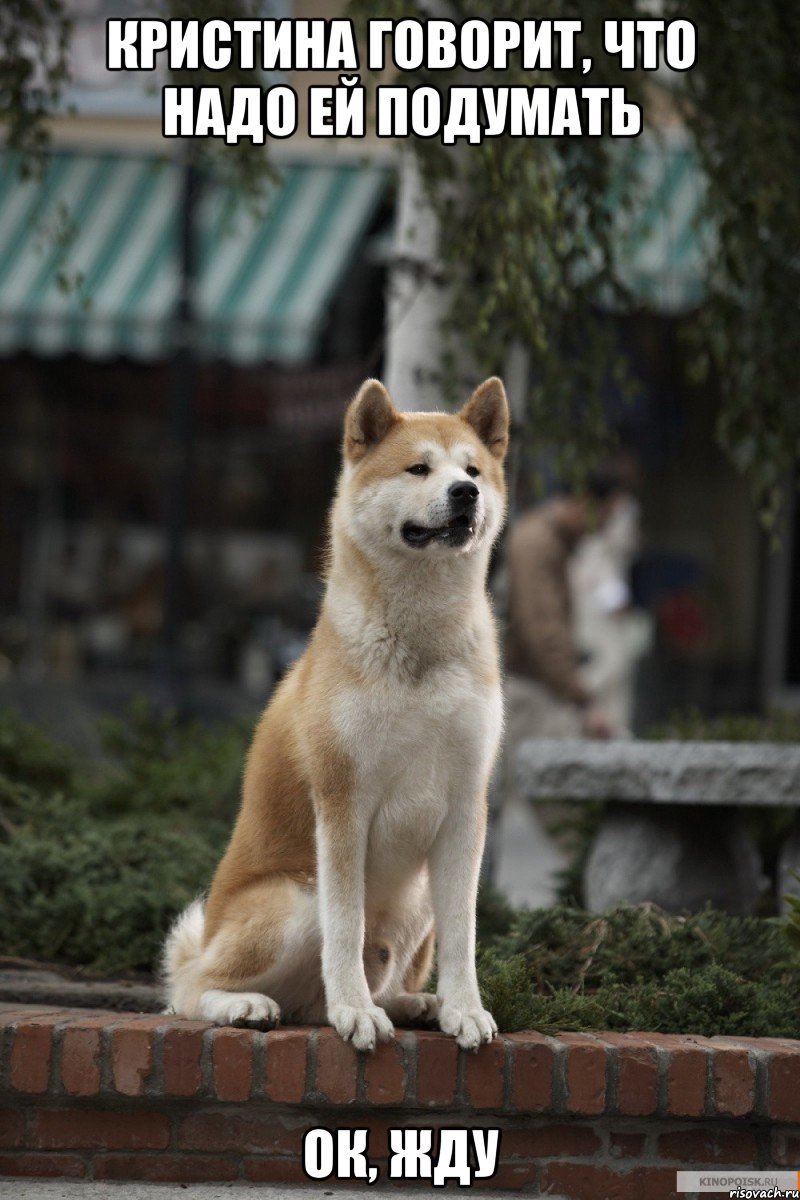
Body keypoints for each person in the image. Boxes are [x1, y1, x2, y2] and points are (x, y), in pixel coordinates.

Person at [504, 470, 627, 743]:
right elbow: (542, 630)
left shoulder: (551, 541)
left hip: (537, 687)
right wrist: (583, 701)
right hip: (527, 691)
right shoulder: (538, 544)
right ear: (586, 502)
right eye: (606, 515)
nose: (605, 527)